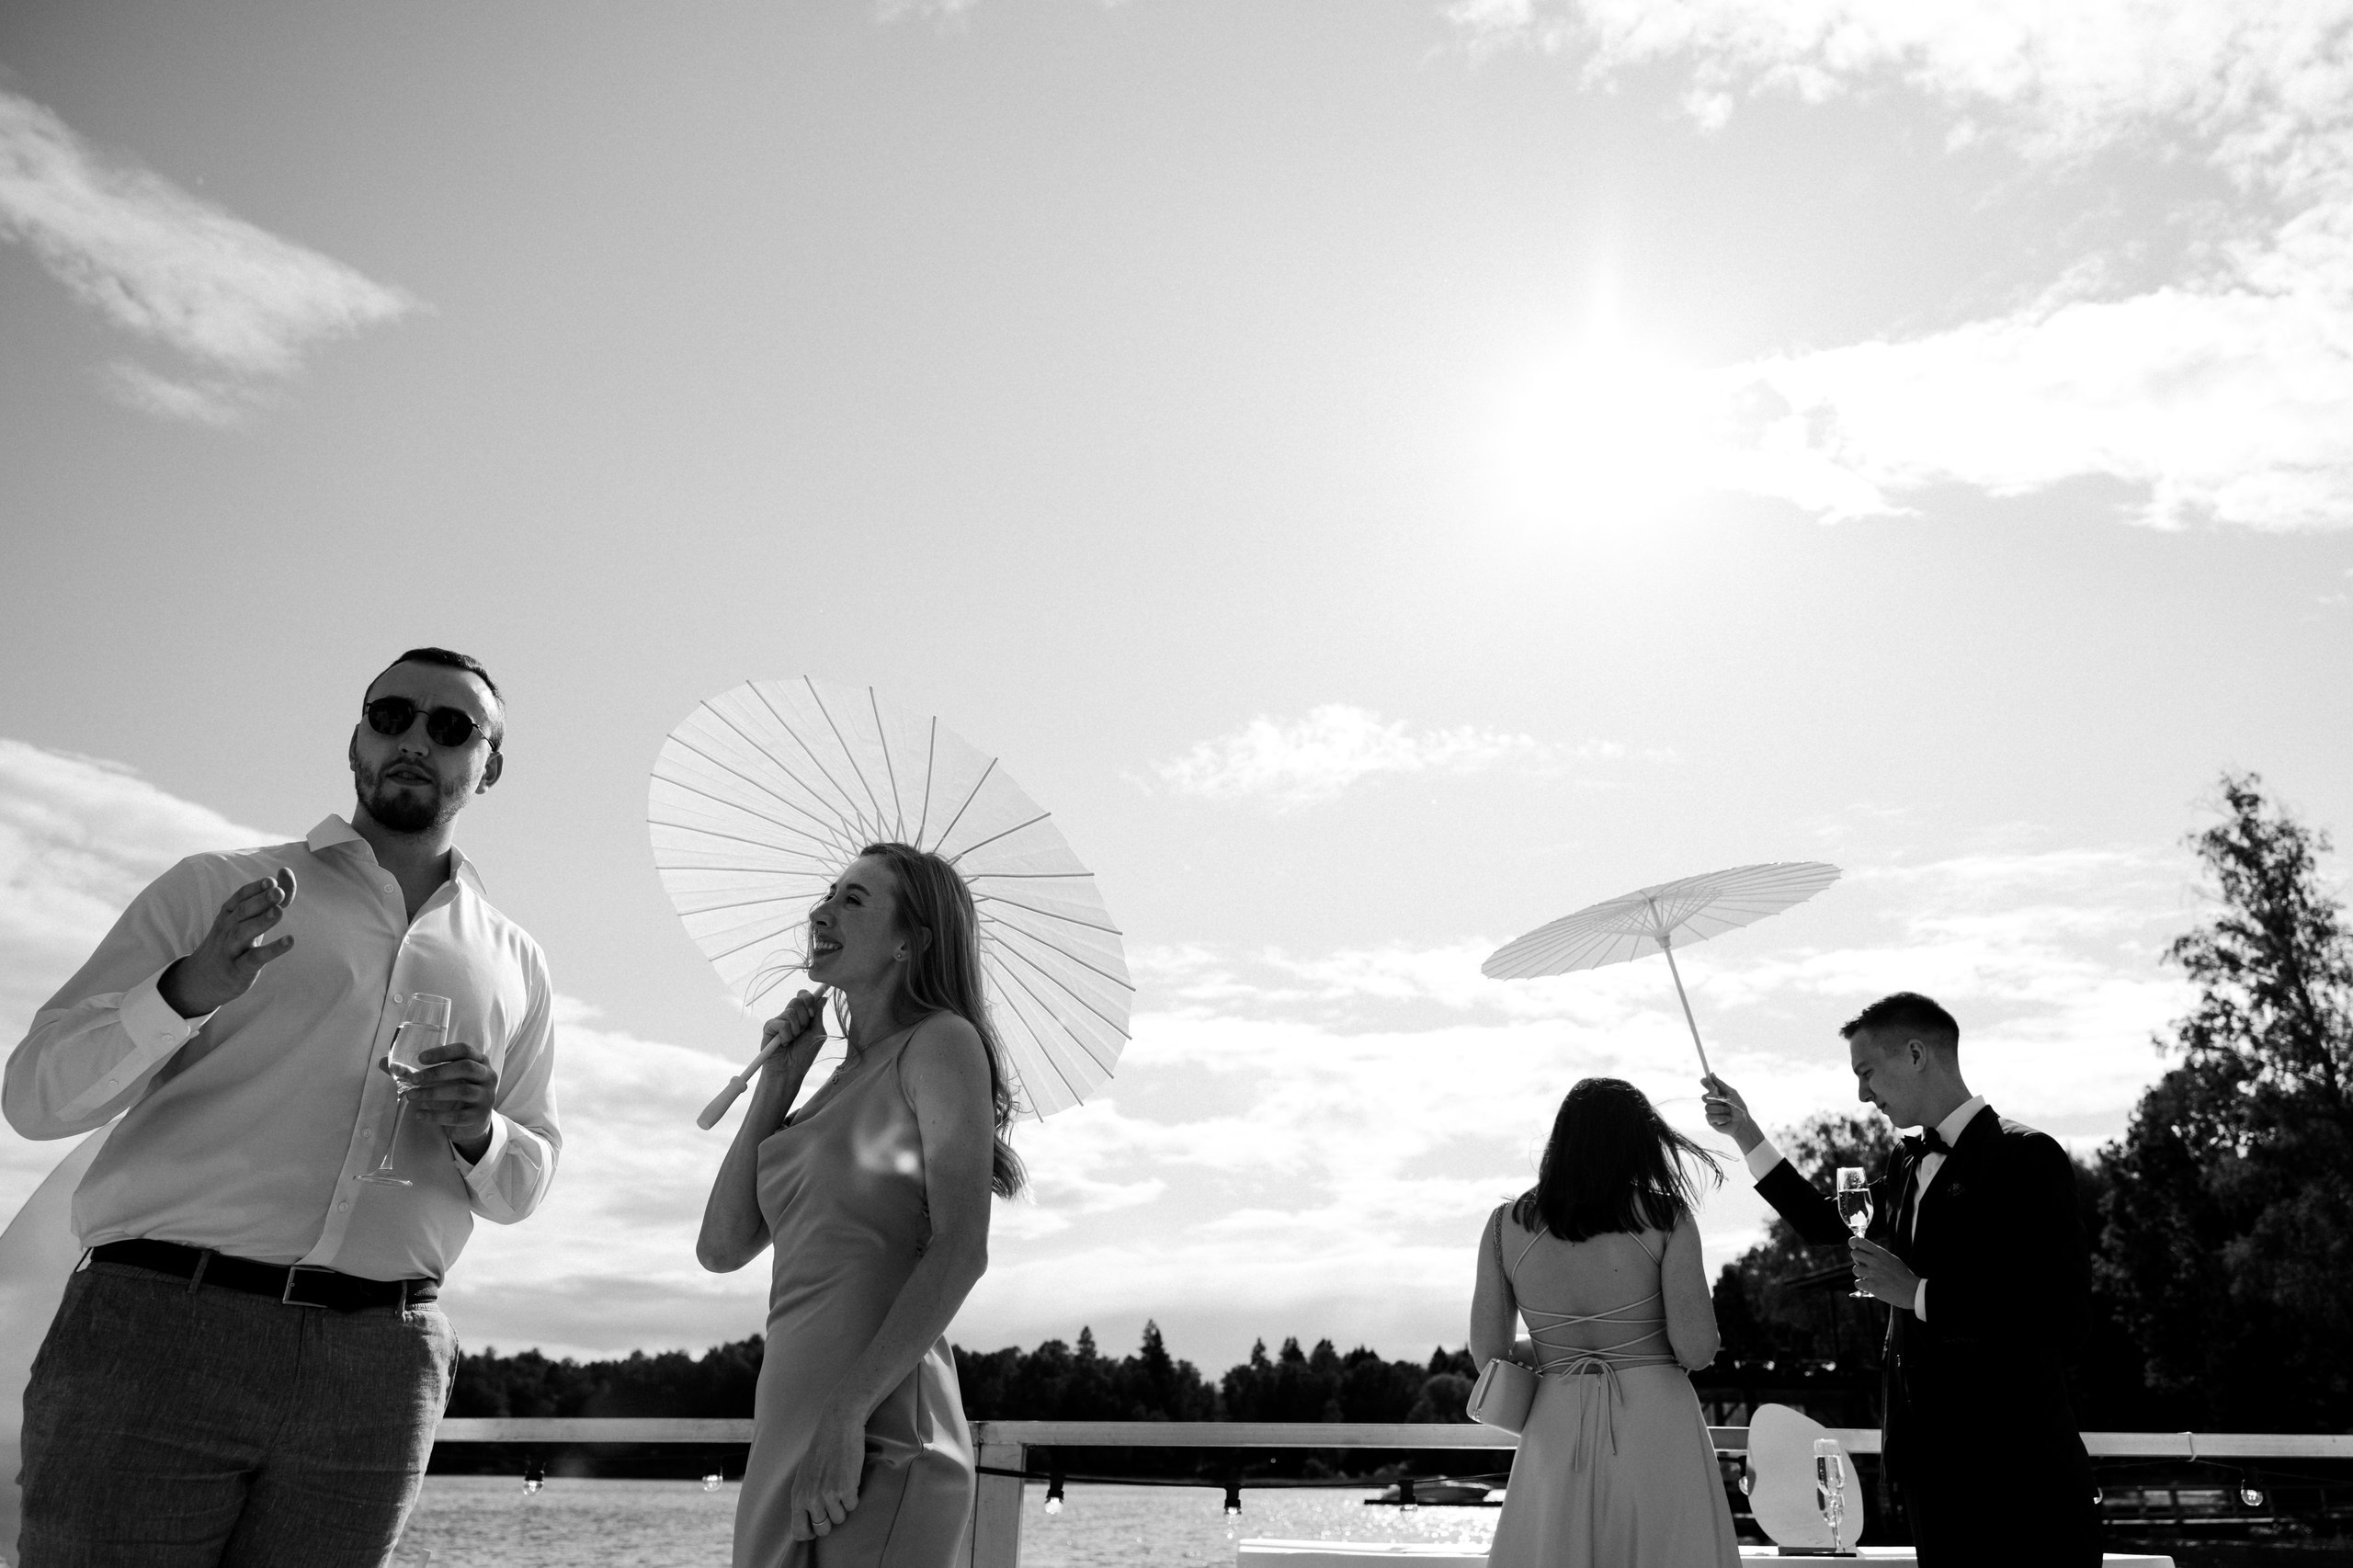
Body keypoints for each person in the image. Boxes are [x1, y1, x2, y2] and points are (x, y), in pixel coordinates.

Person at [3, 647, 560, 1568]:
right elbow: (35, 1094)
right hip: (157, 1334)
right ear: (355, 740)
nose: (414, 738)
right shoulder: (211, 888)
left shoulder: (518, 962)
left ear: (489, 765)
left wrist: (479, 1130)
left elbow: (523, 1180)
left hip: (381, 1370)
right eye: (391, 715)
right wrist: (185, 988)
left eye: (451, 726)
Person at [698, 842, 1018, 1568]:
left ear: (912, 942)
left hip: (878, 1431)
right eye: (828, 894)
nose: (821, 912)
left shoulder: (941, 1044)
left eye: (854, 900)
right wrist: (777, 1083)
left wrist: (846, 1417)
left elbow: (962, 1248)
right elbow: (721, 1247)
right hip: (789, 1429)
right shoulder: (828, 1083)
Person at [1702, 991, 2098, 1567]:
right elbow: (1823, 1222)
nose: (1863, 1094)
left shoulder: (2027, 1157)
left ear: (1915, 1054)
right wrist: (1745, 1133)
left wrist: (1917, 1294)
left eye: (1867, 1072)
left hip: (2020, 1470)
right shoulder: (1905, 1163)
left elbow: (2063, 1313)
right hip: (1930, 1473)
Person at [1471, 1076, 1741, 1568]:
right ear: (1640, 1143)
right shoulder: (1667, 1217)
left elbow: (1488, 1354)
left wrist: (1556, 1348)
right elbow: (1697, 1349)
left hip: (1555, 1427)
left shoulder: (1502, 1226)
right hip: (1656, 1427)